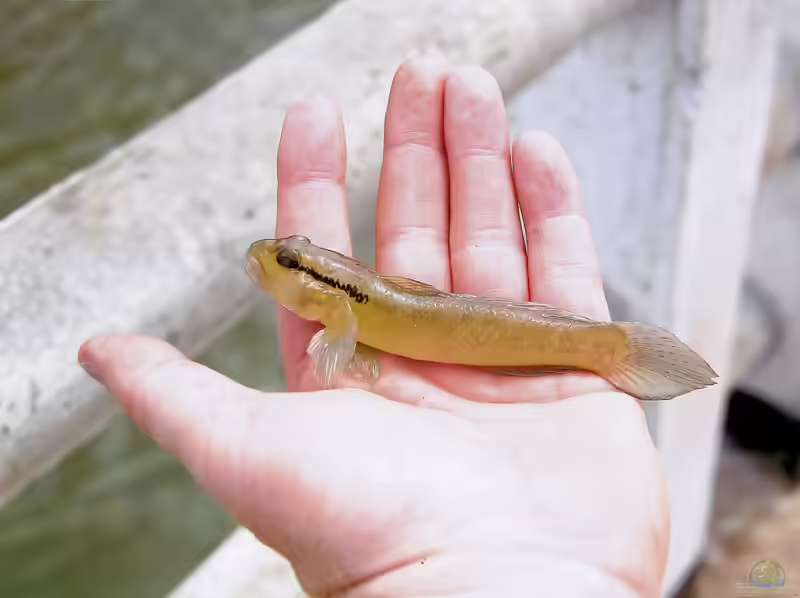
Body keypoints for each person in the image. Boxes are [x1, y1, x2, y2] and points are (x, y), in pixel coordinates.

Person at [78, 59, 669, 598]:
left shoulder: (338, 311)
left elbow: (339, 342)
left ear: (318, 283)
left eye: (289, 257)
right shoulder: (342, 304)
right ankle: (596, 347)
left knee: (568, 336)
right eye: (289, 255)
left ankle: (600, 348)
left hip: (466, 326)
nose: (273, 258)